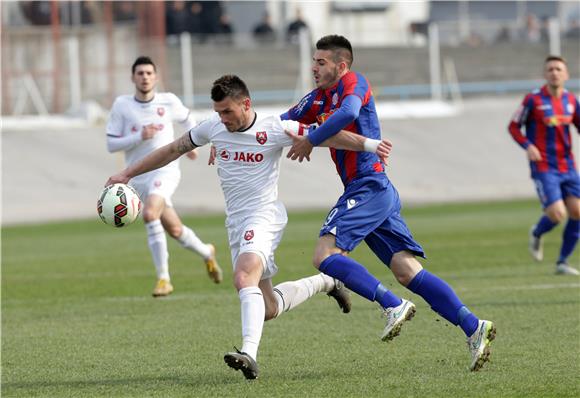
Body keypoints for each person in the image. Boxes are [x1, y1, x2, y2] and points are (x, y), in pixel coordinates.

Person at [106, 74, 394, 379]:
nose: (222, 118)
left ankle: (249, 354)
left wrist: (370, 144)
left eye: (227, 111)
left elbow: (324, 134)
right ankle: (327, 282)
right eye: (218, 112)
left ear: (246, 104)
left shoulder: (274, 128)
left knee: (244, 276)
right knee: (268, 308)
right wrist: (127, 173)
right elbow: (171, 149)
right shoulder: (213, 128)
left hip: (264, 216)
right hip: (236, 223)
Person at [282, 35, 496, 372]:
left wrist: (311, 138)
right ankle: (474, 327)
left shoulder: (354, 83)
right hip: (375, 190)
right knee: (406, 270)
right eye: (314, 61)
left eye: (321, 62)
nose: (313, 67)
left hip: (368, 185)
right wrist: (232, 137)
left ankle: (391, 304)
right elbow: (281, 122)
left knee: (324, 256)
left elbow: (350, 111)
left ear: (341, 65)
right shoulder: (316, 99)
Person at [106, 56, 223, 297]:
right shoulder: (122, 105)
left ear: (156, 77)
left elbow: (187, 119)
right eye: (140, 73)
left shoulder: (168, 101)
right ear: (132, 78)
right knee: (175, 230)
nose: (145, 77)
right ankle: (207, 252)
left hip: (165, 170)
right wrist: (139, 136)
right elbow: (111, 143)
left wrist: (192, 145)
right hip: (137, 176)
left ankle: (163, 279)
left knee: (150, 214)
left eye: (149, 73)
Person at [508, 55, 580, 276]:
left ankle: (562, 262)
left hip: (567, 165)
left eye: (559, 69)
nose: (555, 72)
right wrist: (528, 145)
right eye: (550, 69)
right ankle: (537, 232)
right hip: (544, 166)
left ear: (566, 74)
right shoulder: (533, 100)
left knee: (577, 212)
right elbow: (513, 126)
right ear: (545, 74)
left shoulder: (571, 101)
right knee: (558, 214)